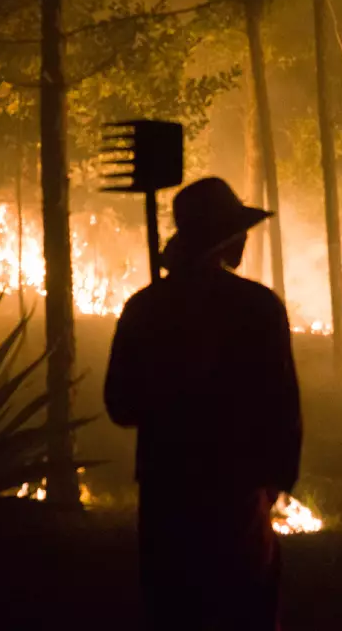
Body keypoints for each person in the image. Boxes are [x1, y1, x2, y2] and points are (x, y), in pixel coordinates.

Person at [104, 177, 302, 631]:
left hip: (167, 497)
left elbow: (120, 405)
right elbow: (282, 406)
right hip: (235, 494)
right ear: (226, 238)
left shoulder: (145, 308)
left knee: (174, 612)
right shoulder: (258, 307)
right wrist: (273, 485)